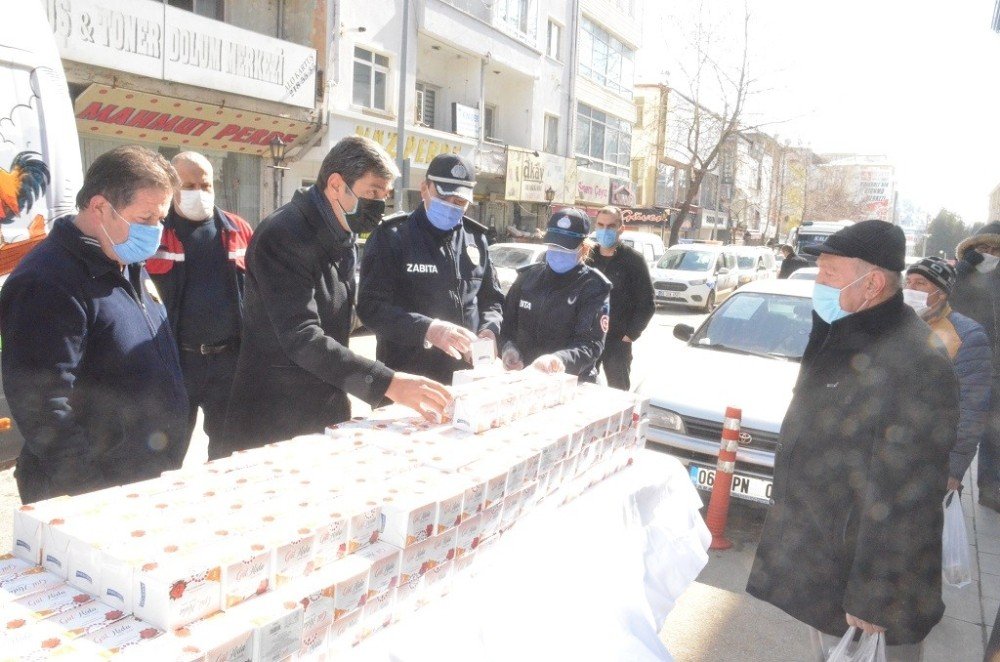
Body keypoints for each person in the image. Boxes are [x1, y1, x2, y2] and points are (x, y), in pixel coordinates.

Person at [746, 220, 959, 660]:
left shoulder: (916, 359)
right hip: (828, 555)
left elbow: (907, 493)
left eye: (829, 275)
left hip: (870, 579)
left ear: (873, 283)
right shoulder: (838, 331)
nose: (818, 286)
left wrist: (876, 593)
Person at [222, 136, 452, 458]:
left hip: (323, 407)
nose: (378, 205)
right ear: (336, 184)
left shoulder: (341, 234)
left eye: (384, 196)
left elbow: (345, 317)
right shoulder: (284, 235)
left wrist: (426, 328)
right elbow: (302, 337)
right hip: (274, 416)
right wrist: (387, 383)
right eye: (372, 192)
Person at [0, 146, 188, 503]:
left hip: (145, 478)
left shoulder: (125, 259)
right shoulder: (47, 281)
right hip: (92, 493)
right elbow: (43, 405)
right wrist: (91, 493)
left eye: (162, 219)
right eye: (146, 218)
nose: (157, 231)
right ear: (100, 207)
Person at [357, 153, 504, 385]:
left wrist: (489, 330)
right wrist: (428, 329)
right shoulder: (393, 236)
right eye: (444, 197)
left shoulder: (476, 239)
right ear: (425, 188)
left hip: (467, 378)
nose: (451, 207)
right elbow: (370, 308)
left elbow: (492, 299)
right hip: (409, 379)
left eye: (460, 202)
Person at [146, 152, 253, 459]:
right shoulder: (155, 233)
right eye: (188, 185)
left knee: (229, 453)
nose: (199, 193)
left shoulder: (238, 230)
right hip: (177, 364)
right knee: (166, 454)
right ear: (171, 188)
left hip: (228, 363)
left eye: (205, 185)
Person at [904, 257, 992, 493]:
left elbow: (971, 409)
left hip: (930, 461)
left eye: (920, 283)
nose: (910, 289)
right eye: (908, 281)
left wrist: (954, 469)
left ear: (941, 293)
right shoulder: (893, 326)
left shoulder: (967, 335)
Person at [500, 208, 611, 382]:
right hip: (524, 379)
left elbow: (590, 345)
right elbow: (505, 325)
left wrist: (559, 361)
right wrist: (507, 347)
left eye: (565, 247)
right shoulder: (527, 278)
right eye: (554, 245)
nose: (557, 251)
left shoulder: (593, 287)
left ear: (583, 248)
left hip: (571, 382)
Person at [952, 222, 1000, 511]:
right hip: (965, 366)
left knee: (995, 434)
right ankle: (950, 482)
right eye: (984, 249)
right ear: (971, 250)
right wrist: (964, 268)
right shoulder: (961, 275)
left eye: (996, 250)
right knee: (958, 428)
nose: (991, 255)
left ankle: (991, 490)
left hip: (997, 371)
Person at [586, 206, 655, 390]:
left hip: (617, 341)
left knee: (618, 393)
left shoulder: (633, 260)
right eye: (600, 225)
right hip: (587, 337)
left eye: (610, 226)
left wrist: (630, 335)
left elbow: (647, 303)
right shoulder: (587, 257)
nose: (605, 230)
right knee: (582, 386)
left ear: (621, 228)